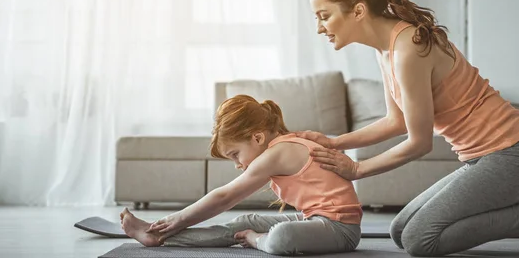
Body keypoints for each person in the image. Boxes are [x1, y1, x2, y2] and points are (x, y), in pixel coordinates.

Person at [298, 0, 519, 256]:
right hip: (483, 159)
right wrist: (335, 142)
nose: (319, 28)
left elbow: (419, 144)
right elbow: (397, 121)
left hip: (515, 155)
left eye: (323, 16)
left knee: (421, 240)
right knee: (401, 231)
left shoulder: (408, 48)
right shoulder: (386, 49)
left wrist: (357, 168)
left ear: (357, 11)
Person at [119, 94, 362, 256]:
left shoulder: (278, 152)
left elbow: (225, 197)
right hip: (314, 220)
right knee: (245, 220)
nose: (237, 164)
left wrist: (177, 218)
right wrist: (173, 226)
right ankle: (160, 237)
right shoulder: (280, 148)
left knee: (281, 237)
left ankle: (258, 241)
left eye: (235, 154)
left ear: (257, 138)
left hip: (340, 230)